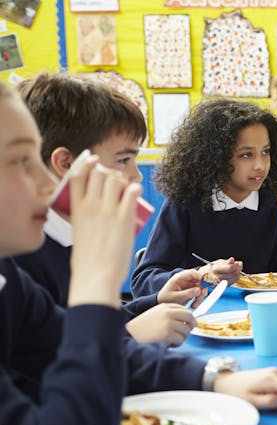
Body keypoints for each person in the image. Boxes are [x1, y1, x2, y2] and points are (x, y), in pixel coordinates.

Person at [0, 83, 277, 425]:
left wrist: (214, 378)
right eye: (20, 160)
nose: (43, 182)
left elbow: (65, 343)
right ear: (67, 163)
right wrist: (97, 287)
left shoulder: (8, 282)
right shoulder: (24, 261)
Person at [13, 72, 202, 347]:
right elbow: (42, 361)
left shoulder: (72, 234)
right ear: (66, 163)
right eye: (123, 159)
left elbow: (94, 319)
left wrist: (157, 300)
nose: (136, 176)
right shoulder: (23, 256)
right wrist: (131, 335)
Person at [131, 98, 277, 297]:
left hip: (255, 318)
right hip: (197, 319)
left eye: (266, 152)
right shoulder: (185, 202)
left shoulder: (270, 202)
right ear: (217, 157)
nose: (260, 165)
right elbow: (144, 281)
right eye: (246, 155)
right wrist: (202, 275)